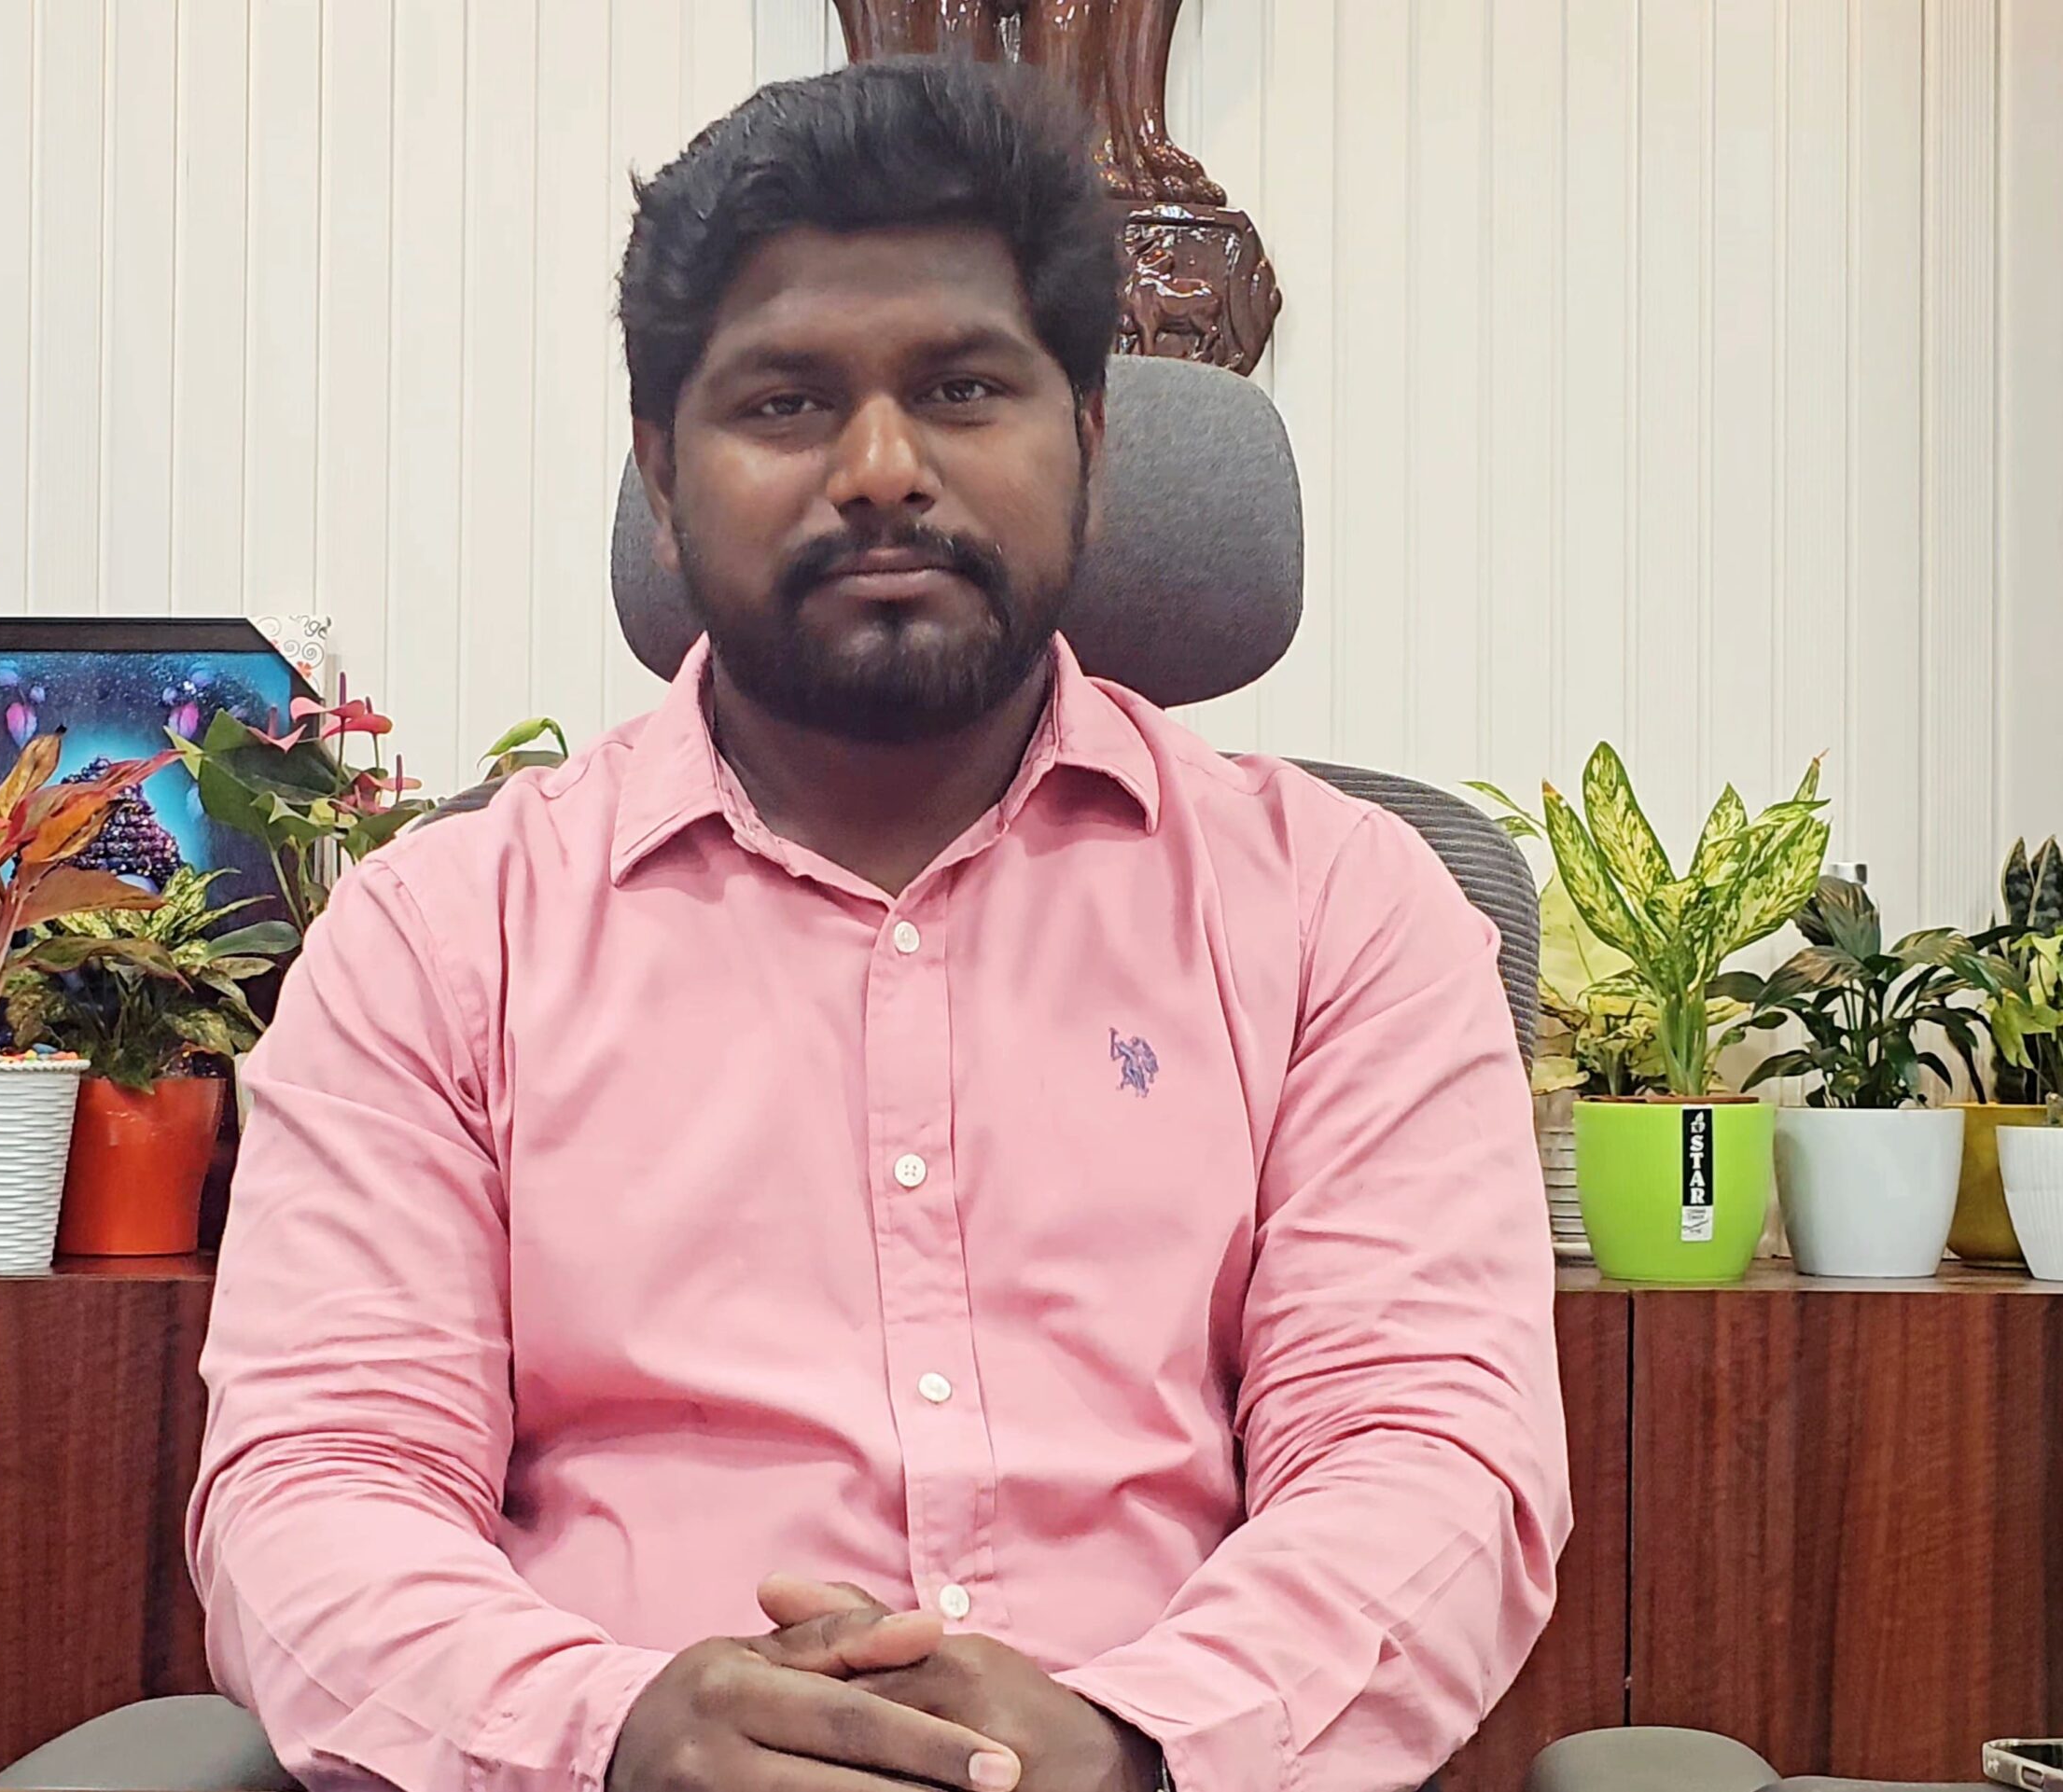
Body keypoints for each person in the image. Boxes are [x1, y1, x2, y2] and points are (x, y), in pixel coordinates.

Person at [188, 57, 1568, 1792]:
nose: (884, 469)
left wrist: (1138, 1740)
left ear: (1089, 438)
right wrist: (610, 1735)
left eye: (965, 388)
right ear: (661, 474)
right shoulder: (440, 938)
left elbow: (1425, 1455)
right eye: (784, 403)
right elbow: (319, 1485)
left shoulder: (1345, 911)